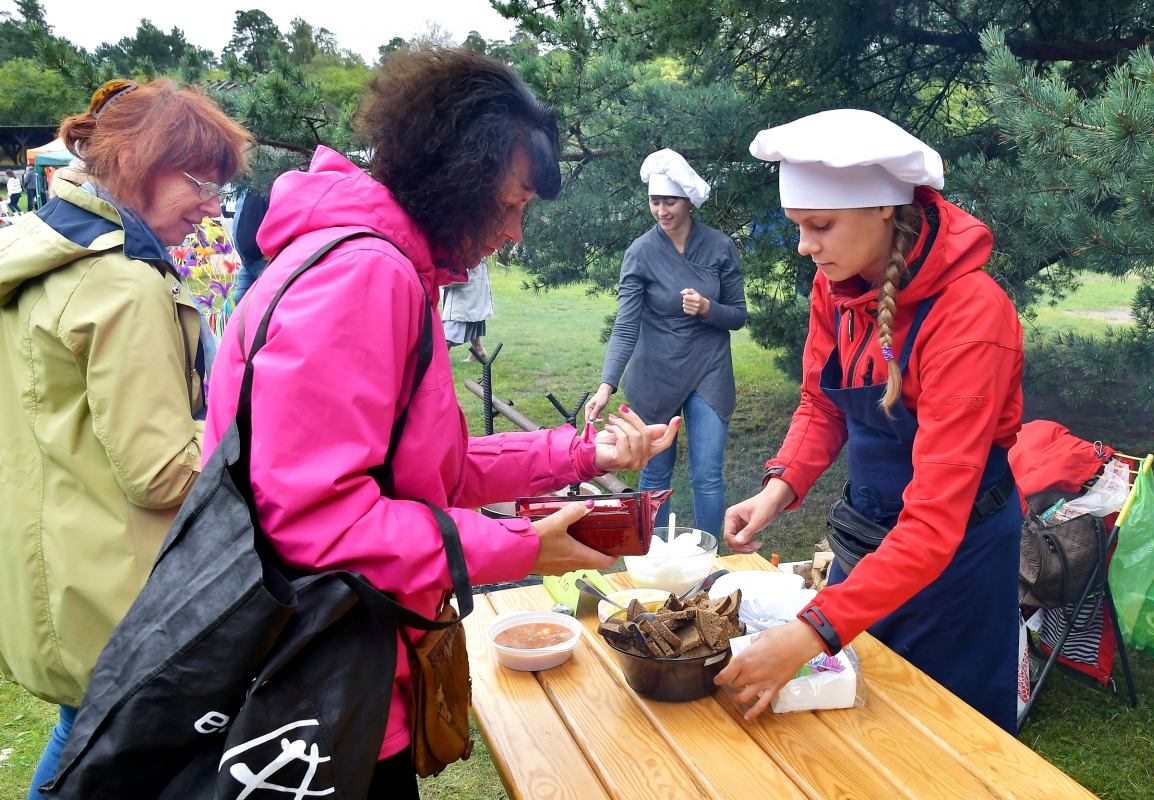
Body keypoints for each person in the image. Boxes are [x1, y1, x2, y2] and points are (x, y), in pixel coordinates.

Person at [201, 48, 680, 798]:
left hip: (342, 657)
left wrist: (583, 454)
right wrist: (521, 546)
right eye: (512, 203)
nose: (515, 232)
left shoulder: (377, 261)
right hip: (321, 679)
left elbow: (429, 469)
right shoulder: (365, 274)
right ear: (456, 173)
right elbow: (318, 521)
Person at [716, 109, 1024, 733]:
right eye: (798, 227)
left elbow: (934, 523)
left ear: (884, 207)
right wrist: (779, 486)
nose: (805, 246)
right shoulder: (836, 286)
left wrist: (811, 631)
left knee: (945, 732)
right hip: (873, 536)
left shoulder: (970, 317)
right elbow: (822, 402)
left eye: (820, 226)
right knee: (859, 716)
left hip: (956, 557)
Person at [0, 79, 252, 799]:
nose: (213, 208)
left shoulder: (36, 248)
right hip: (116, 586)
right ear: (141, 162)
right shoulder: (123, 284)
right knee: (110, 755)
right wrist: (250, 428)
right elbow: (163, 472)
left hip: (54, 569)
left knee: (81, 735)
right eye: (203, 183)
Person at [585, 149, 746, 538]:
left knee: (707, 474)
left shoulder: (719, 246)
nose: (661, 210)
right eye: (655, 201)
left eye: (670, 201)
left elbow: (738, 315)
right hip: (655, 372)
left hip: (708, 369)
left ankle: (709, 557)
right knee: (655, 471)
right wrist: (606, 385)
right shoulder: (640, 253)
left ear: (687, 201)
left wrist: (708, 308)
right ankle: (655, 557)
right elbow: (626, 325)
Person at [441, 256, 494, 360]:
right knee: (471, 317)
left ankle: (437, 360)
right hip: (470, 291)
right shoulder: (474, 251)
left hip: (463, 294)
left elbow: (460, 277)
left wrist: (439, 277)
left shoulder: (467, 253)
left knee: (452, 330)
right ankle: (478, 349)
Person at [230, 188, 269, 302]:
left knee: (268, 301)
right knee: (239, 300)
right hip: (247, 260)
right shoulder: (244, 187)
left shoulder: (265, 185)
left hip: (265, 259)